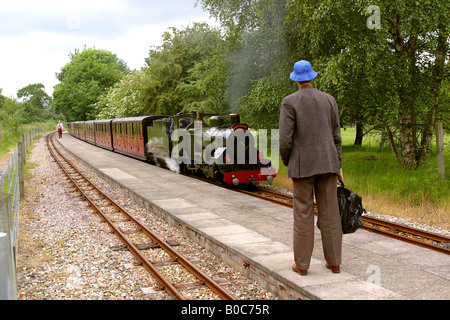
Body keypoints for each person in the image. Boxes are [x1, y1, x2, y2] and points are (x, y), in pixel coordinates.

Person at [279, 60, 344, 276]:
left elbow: (285, 140)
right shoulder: (329, 100)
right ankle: (334, 263)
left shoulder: (289, 102)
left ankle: (302, 266)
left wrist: (289, 161)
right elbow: (336, 136)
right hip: (328, 164)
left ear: (296, 80)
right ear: (312, 77)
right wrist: (339, 165)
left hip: (302, 167)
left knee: (303, 215)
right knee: (331, 215)